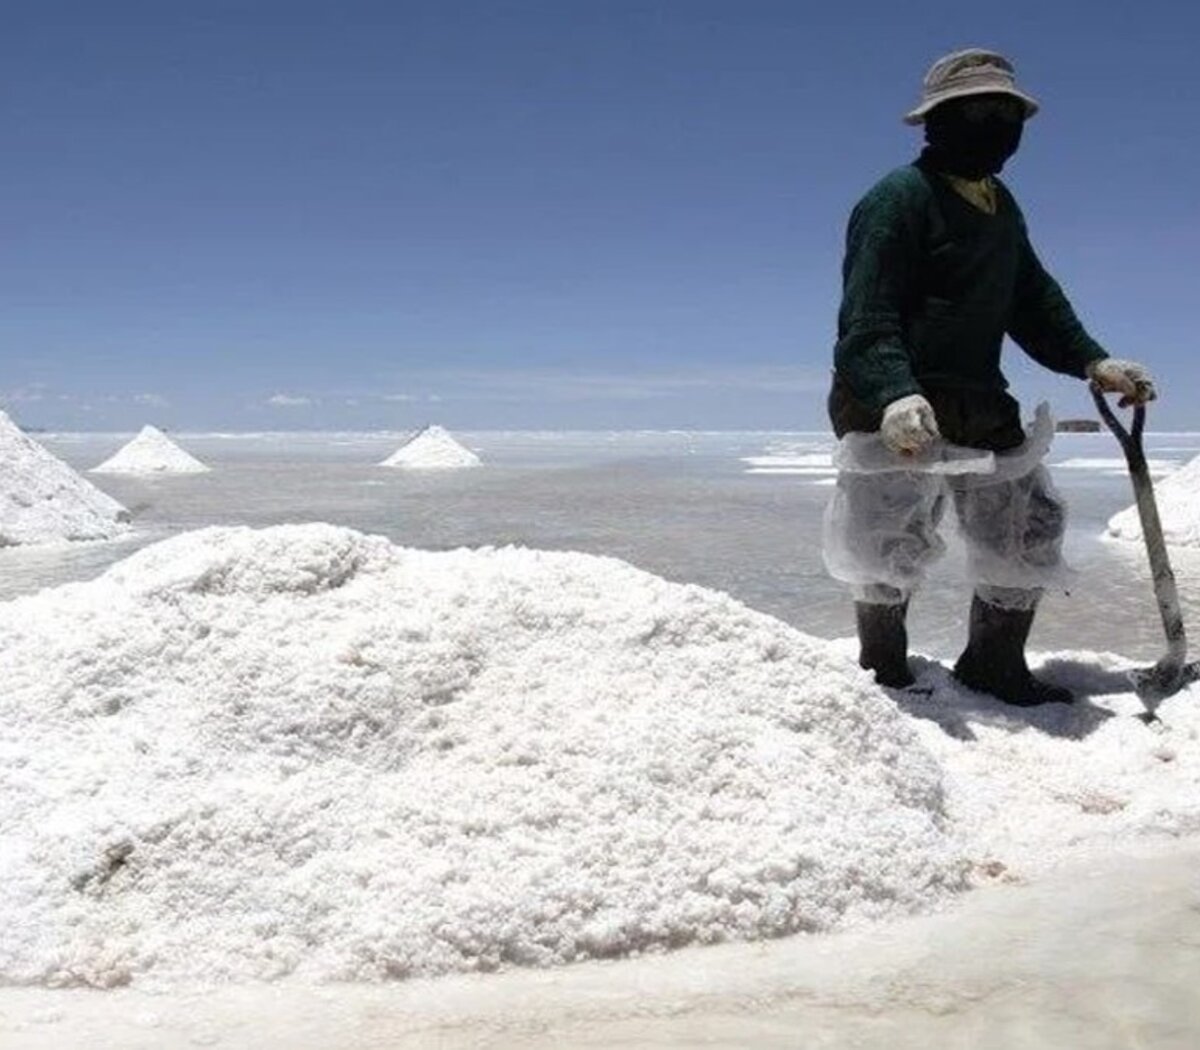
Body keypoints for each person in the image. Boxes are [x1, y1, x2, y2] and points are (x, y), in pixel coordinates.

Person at [824, 48, 1157, 706]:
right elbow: (867, 317)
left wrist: (1093, 359)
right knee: (884, 542)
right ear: (938, 120)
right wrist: (894, 393)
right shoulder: (897, 200)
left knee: (1028, 525)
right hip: (895, 401)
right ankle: (882, 672)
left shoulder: (999, 206)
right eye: (980, 111)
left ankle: (993, 665)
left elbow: (1033, 300)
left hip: (976, 399)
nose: (999, 126)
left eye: (1009, 113)